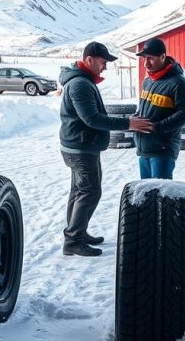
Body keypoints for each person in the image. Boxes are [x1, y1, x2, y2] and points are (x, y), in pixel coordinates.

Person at [59, 41, 153, 257]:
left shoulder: (82, 80)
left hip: (80, 146)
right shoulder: (80, 84)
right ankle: (73, 240)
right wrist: (128, 123)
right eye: (103, 62)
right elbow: (92, 119)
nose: (105, 67)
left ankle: (77, 233)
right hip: (80, 148)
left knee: (79, 191)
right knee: (90, 191)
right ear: (89, 59)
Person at [135, 38, 185, 179]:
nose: (146, 64)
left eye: (150, 59)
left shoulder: (178, 82)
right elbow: (145, 110)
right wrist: (135, 120)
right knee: (146, 196)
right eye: (144, 58)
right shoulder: (148, 81)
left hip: (162, 150)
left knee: (160, 195)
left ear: (163, 56)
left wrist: (158, 128)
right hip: (144, 149)